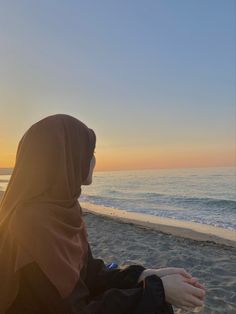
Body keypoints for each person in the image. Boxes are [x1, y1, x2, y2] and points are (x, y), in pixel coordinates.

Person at [0, 114, 205, 314]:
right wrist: (158, 290)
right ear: (66, 155)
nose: (93, 159)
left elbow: (89, 272)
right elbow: (75, 308)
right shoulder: (31, 225)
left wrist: (143, 275)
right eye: (89, 150)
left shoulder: (64, 210)